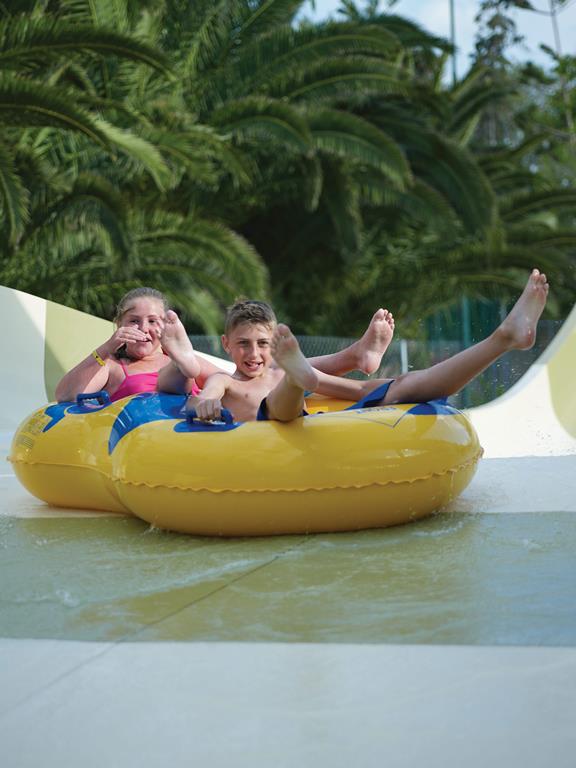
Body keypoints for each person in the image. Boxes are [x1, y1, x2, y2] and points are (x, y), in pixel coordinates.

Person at [182, 269, 549, 423]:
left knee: (404, 384)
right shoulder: (225, 382)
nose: (253, 354)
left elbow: (356, 390)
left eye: (263, 343)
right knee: (284, 398)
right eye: (243, 345)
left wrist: (397, 385)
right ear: (226, 345)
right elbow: (202, 397)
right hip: (275, 420)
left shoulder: (275, 370)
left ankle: (504, 338)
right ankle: (300, 378)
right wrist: (205, 404)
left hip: (303, 393)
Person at [55, 287, 395, 403]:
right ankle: (184, 366)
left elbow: (240, 379)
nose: (144, 329)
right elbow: (65, 395)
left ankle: (358, 355)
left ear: (166, 329)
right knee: (189, 371)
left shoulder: (175, 357)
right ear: (119, 326)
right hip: (153, 421)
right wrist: (106, 348)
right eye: (133, 322)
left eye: (154, 322)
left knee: (269, 373)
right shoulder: (114, 366)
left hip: (191, 403)